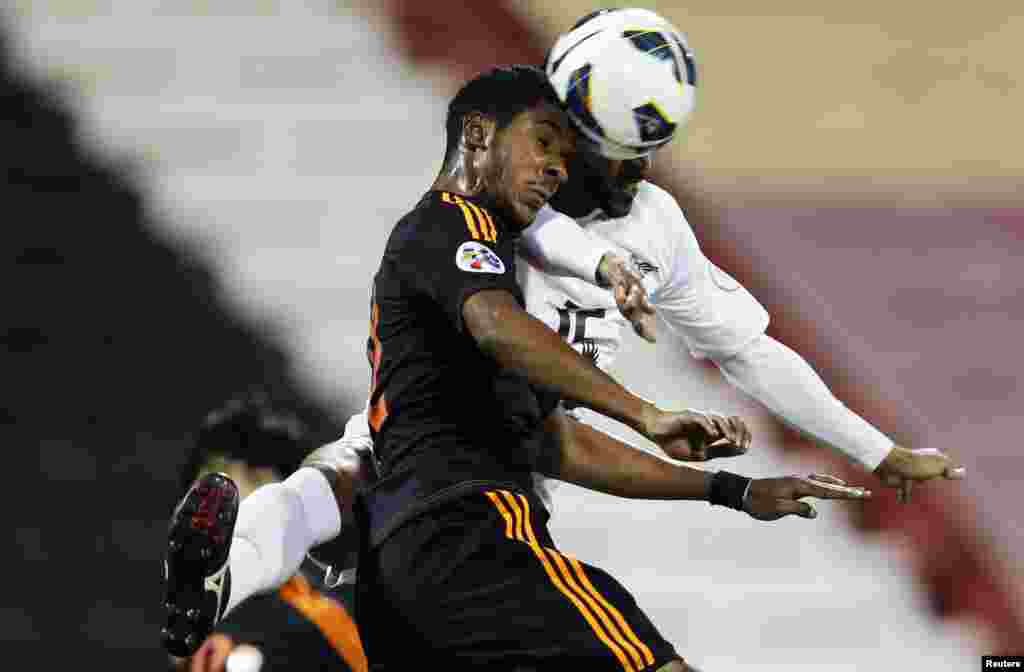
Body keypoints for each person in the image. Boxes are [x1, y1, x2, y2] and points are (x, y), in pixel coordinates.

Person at [163, 395, 367, 672]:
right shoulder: (188, 622)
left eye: (256, 479)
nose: (230, 498)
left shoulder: (326, 622)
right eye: (214, 475)